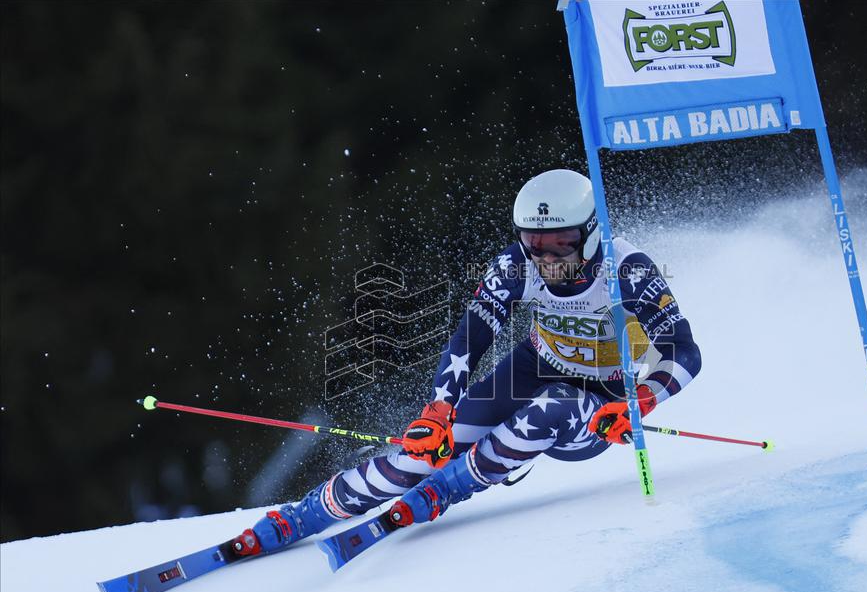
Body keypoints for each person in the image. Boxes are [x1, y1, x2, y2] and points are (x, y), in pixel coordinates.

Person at [229, 169, 701, 557]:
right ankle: (299, 518)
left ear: (591, 233)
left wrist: (643, 399)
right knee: (427, 450)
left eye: (560, 243)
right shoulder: (515, 265)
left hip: (602, 401)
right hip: (534, 366)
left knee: (554, 406)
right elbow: (471, 337)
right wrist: (438, 409)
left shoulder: (629, 270)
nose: (546, 258)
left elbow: (685, 351)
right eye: (534, 243)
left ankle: (447, 490)